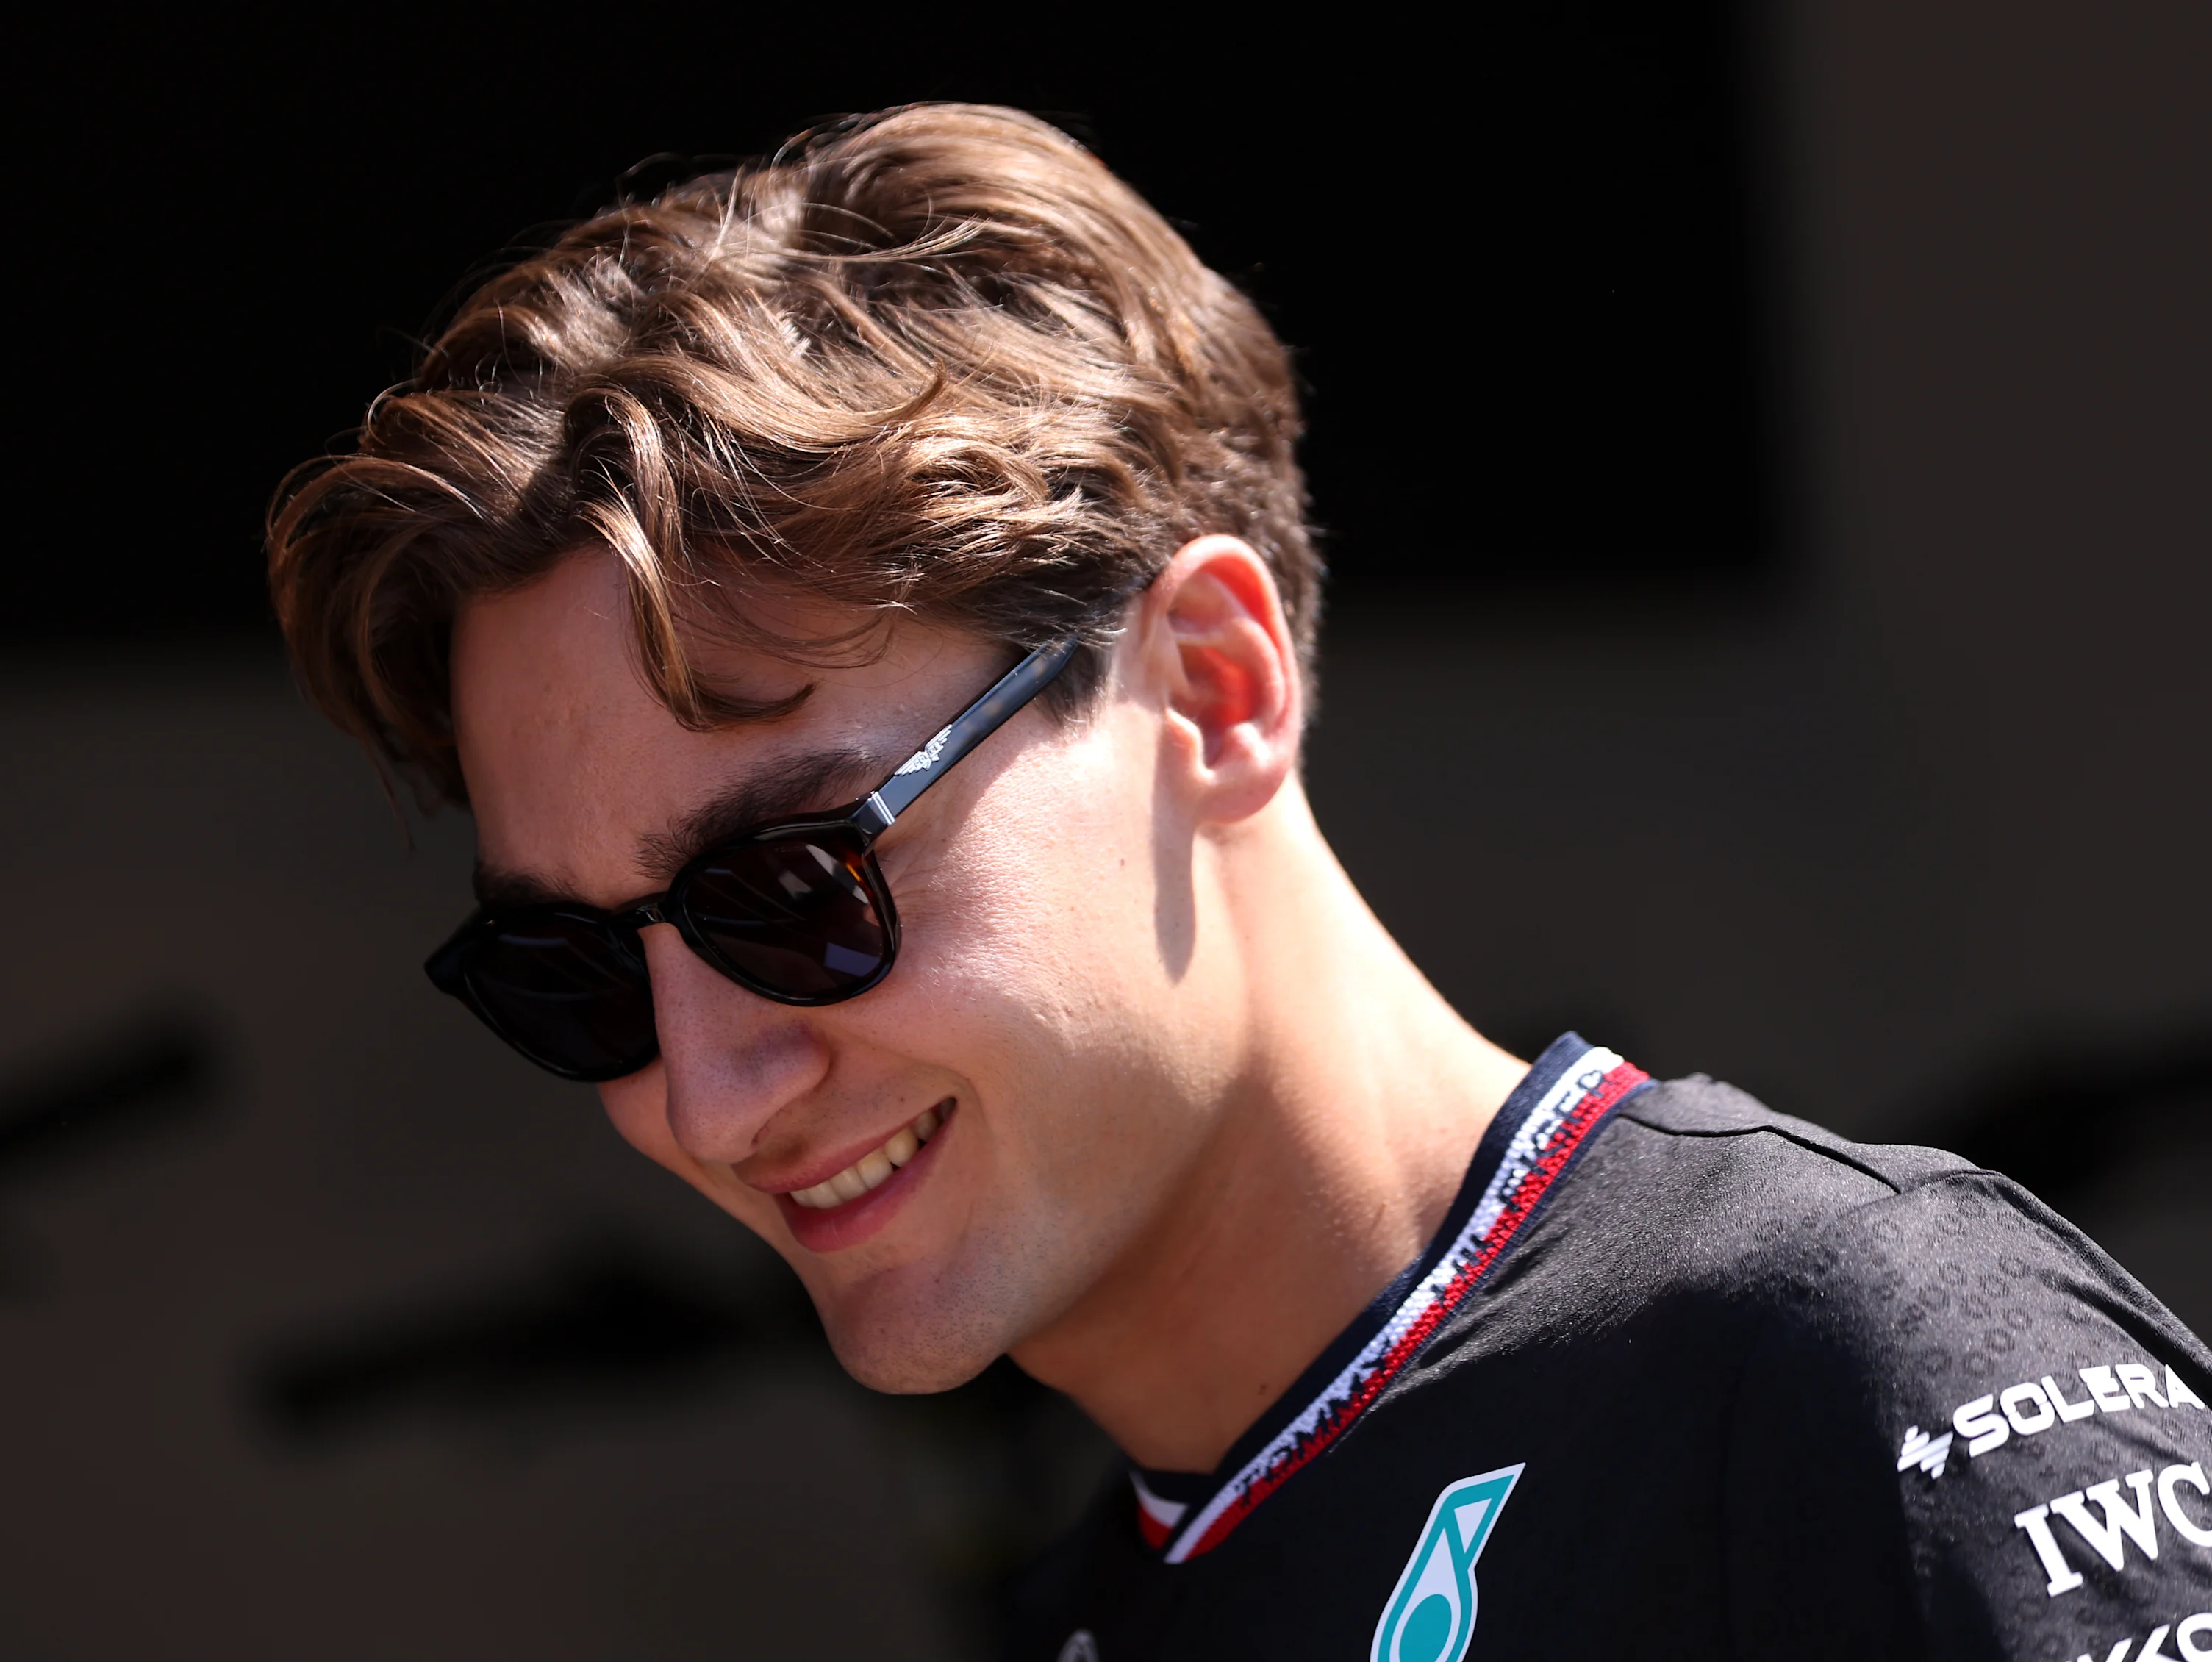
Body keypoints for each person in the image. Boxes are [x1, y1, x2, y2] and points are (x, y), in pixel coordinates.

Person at [265, 103, 2212, 1660]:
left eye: (790, 884)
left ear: (1214, 684)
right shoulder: (1102, 1604)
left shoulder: (1859, 1364)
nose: (707, 1087)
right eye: (575, 976)